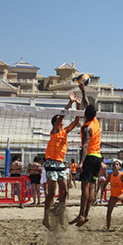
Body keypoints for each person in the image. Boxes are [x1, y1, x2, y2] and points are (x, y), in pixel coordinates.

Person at [43, 94, 80, 230]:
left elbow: (76, 121)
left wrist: (78, 105)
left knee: (64, 192)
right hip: (51, 163)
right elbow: (62, 117)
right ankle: (46, 219)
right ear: (55, 123)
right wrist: (69, 102)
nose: (62, 123)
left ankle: (58, 214)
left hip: (60, 164)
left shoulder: (65, 132)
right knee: (52, 193)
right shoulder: (54, 131)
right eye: (60, 122)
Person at [70, 103, 102, 227]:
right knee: (92, 188)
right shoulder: (96, 122)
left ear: (85, 114)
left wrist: (81, 163)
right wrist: (83, 91)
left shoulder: (86, 128)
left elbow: (85, 146)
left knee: (85, 188)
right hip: (98, 158)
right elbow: (87, 103)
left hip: (89, 157)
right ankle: (86, 215)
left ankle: (81, 215)